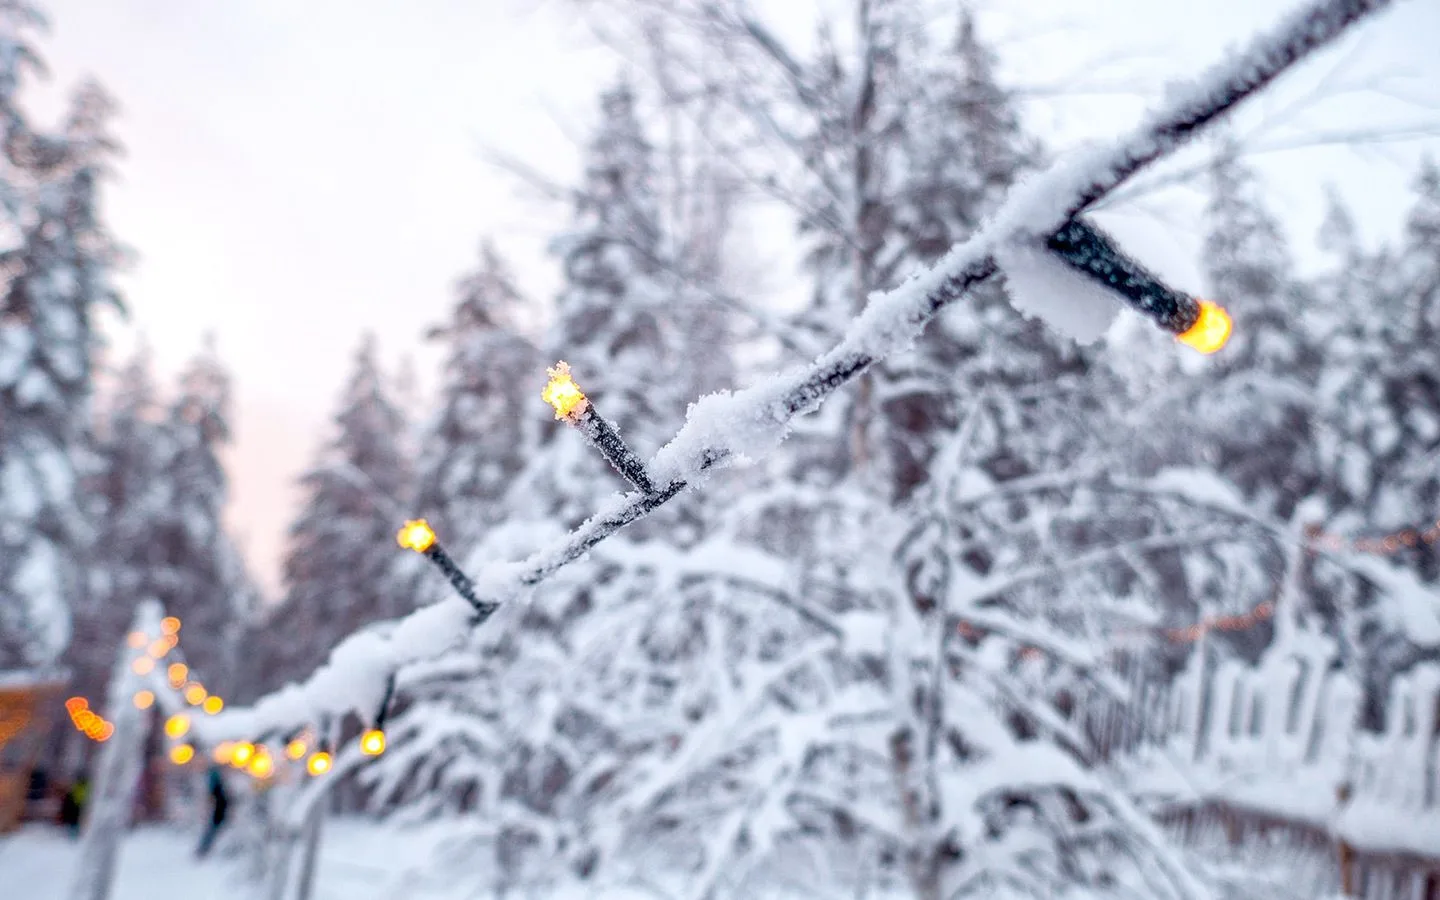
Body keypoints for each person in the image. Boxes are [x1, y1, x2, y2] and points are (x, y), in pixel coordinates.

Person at [195, 764, 229, 858]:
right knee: (211, 832)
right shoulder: (218, 789)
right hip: (217, 814)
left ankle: (203, 849)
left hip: (218, 814)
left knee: (211, 832)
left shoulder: (216, 788)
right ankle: (203, 850)